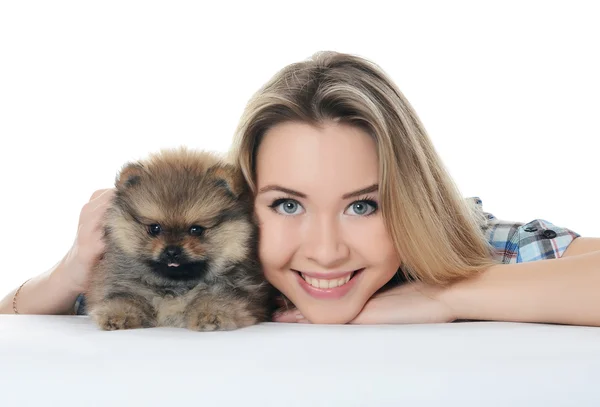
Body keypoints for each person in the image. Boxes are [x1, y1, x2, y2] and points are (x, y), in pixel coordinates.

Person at [2, 51, 599, 326]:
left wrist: (445, 296)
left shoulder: (468, 243)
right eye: (288, 204)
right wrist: (66, 277)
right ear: (245, 206)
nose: (325, 249)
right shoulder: (194, 278)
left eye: (364, 205)